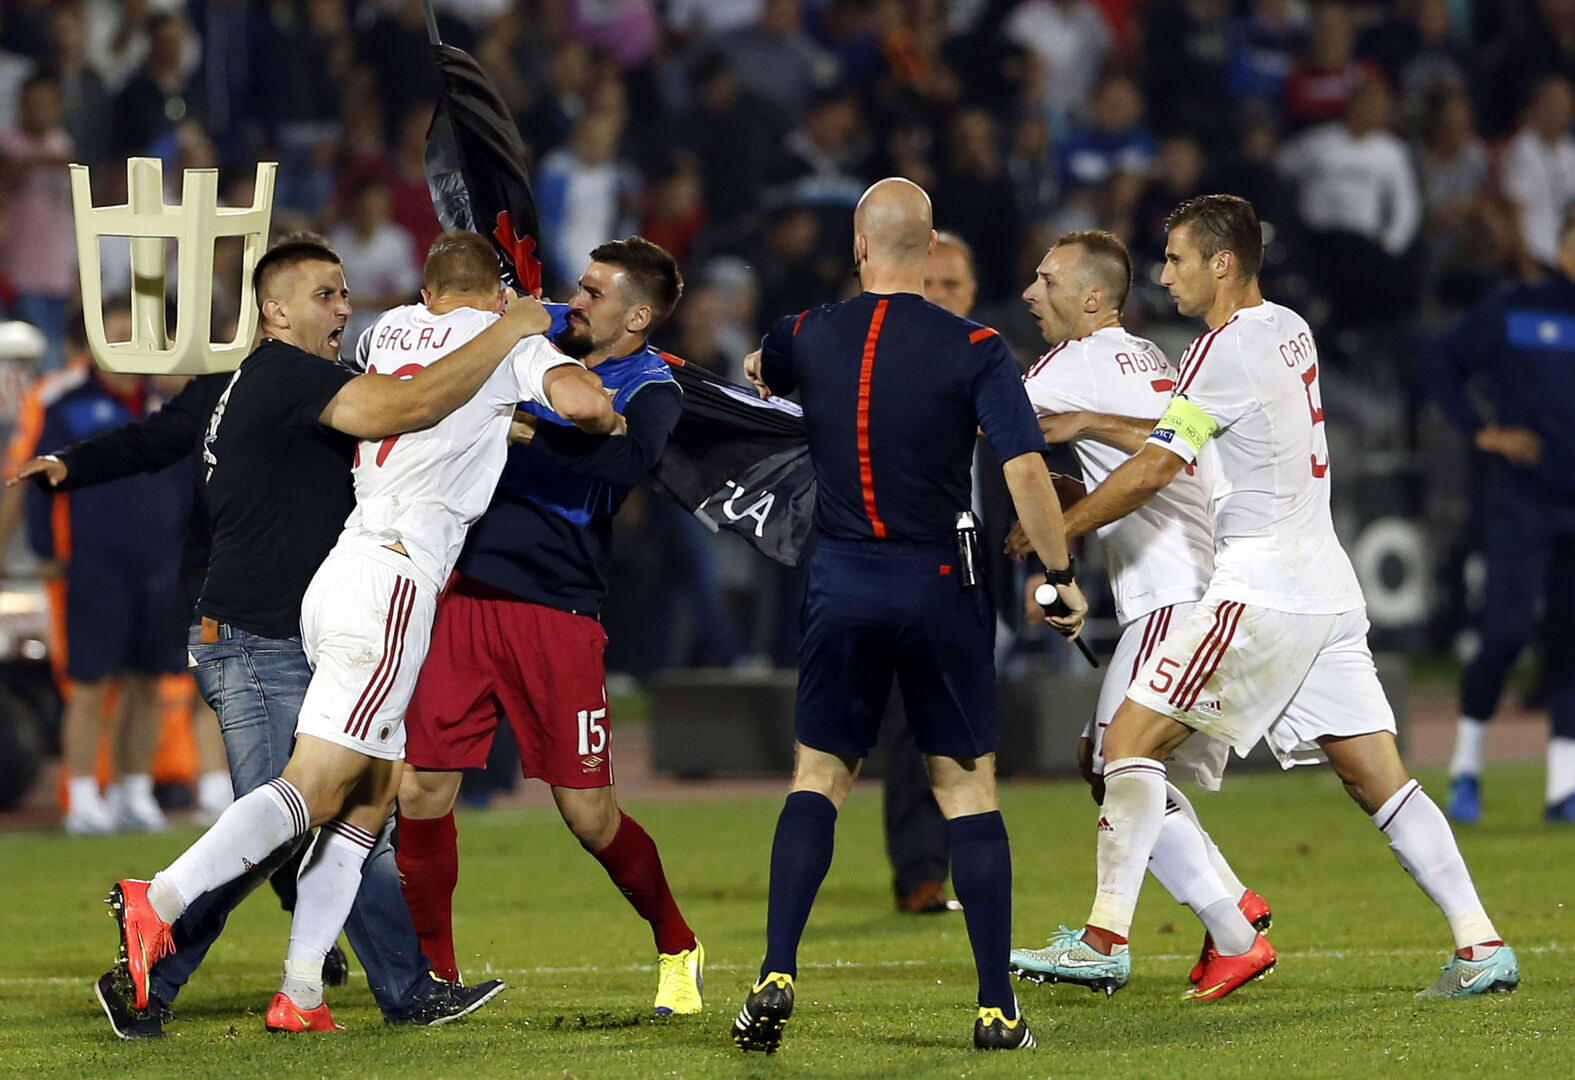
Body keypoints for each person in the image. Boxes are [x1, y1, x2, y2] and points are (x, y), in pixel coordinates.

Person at [15, 235, 551, 1037]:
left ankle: (364, 988)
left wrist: (70, 463)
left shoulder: (249, 381)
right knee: (292, 816)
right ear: (274, 309)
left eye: (345, 293)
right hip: (257, 633)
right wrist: (508, 335)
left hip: (268, 625)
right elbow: (401, 407)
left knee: (357, 810)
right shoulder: (300, 378)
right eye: (327, 295)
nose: (345, 307)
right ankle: (150, 964)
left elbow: (161, 440)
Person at [1022, 194, 1517, 1001]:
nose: (1164, 273)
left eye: (1177, 257)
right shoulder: (1288, 326)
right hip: (1328, 587)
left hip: (1262, 590)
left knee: (1124, 747)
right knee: (1378, 781)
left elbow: (1156, 467)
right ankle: (1479, 943)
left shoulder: (1218, 351)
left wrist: (1062, 531)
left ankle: (1107, 937)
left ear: (1223, 262)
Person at [731, 178, 1088, 1053]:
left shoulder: (806, 334)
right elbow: (1025, 473)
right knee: (965, 788)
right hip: (939, 579)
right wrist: (1058, 572)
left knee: (818, 778)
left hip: (843, 578)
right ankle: (996, 1008)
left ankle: (777, 967)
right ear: (932, 252)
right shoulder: (974, 345)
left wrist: (769, 366)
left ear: (858, 247)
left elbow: (756, 370)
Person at [393, 236, 706, 1016]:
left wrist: (514, 427)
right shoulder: (525, 340)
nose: (577, 299)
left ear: (637, 315)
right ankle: (436, 977)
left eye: (595, 292)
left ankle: (677, 943)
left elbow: (622, 468)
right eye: (580, 284)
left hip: (558, 609)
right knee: (422, 788)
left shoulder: (652, 386)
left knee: (588, 813)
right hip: (462, 591)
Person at [998, 230, 1270, 995]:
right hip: (1207, 580)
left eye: (1045, 279)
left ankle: (1111, 937)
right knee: (1109, 758)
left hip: (1176, 591)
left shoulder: (1067, 365)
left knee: (1121, 753)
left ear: (1091, 298)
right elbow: (1166, 452)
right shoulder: (1150, 359)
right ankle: (1231, 909)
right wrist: (1064, 521)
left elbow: (979, 417)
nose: (1028, 292)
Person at [1419, 207, 1575, 824]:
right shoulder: (1515, 307)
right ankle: (1465, 770)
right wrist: (1480, 431)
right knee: (1506, 631)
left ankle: (1564, 787)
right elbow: (1436, 362)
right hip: (1522, 499)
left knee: (1571, 642)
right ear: (1562, 243)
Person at [23, 309, 190, 836]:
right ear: (95, 341)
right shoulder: (67, 403)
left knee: (148, 684)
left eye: (133, 335)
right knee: (90, 685)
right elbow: (39, 478)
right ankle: (83, 796)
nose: (127, 344)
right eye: (116, 335)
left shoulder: (169, 403)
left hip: (163, 561)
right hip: (96, 563)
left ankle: (133, 793)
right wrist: (45, 546)